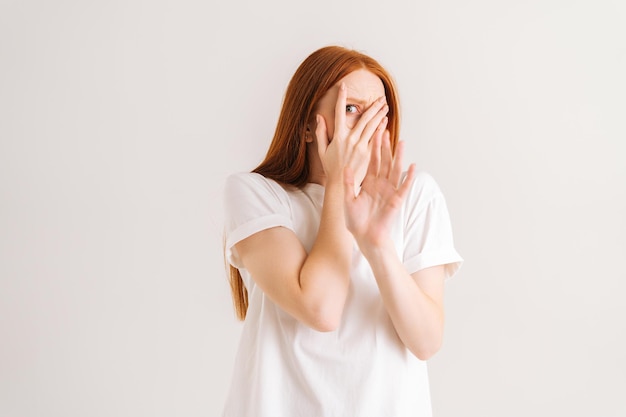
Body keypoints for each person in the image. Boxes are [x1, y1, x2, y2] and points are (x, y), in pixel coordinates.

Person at [222, 45, 463, 417]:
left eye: (378, 113)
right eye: (351, 109)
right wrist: (340, 186)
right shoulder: (257, 195)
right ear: (306, 125)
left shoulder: (414, 196)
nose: (366, 127)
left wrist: (377, 244)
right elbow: (320, 308)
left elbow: (427, 340)